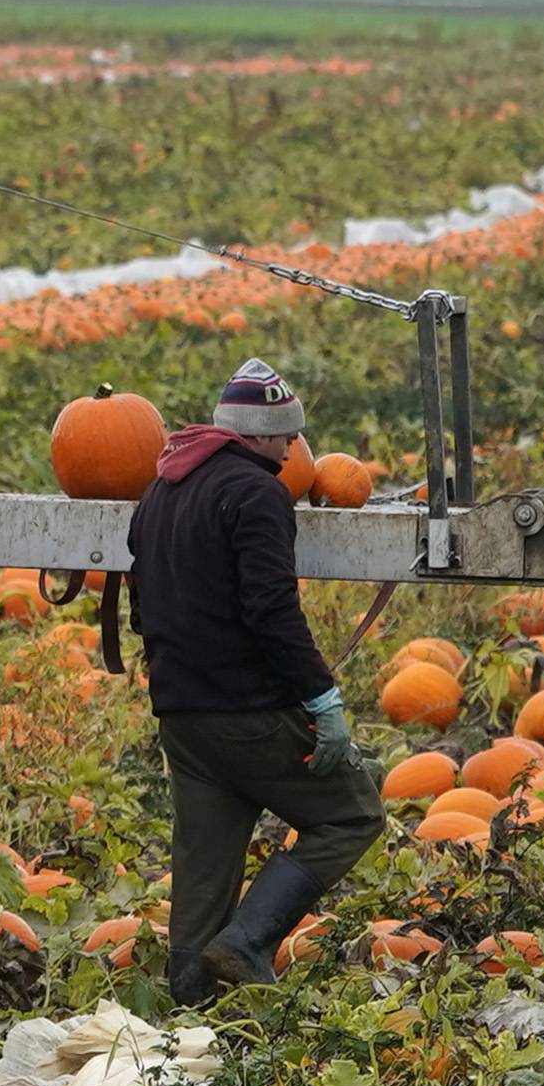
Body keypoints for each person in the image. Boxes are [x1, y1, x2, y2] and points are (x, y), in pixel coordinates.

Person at [132, 358, 386, 999]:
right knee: (351, 815)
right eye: (290, 435)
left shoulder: (162, 490)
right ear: (268, 436)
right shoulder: (256, 493)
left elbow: (142, 598)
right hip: (245, 708)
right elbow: (271, 608)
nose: (296, 447)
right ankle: (247, 940)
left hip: (181, 712)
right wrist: (321, 697)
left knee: (203, 870)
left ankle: (187, 1015)